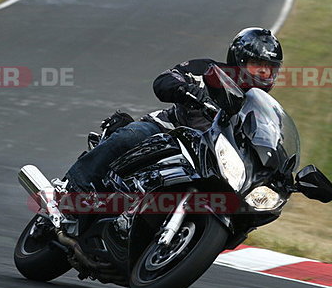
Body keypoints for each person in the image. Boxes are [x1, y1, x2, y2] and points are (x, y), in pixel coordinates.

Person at [62, 27, 283, 193]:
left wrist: (284, 173)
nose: (264, 72)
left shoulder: (258, 110)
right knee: (132, 136)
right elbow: (166, 79)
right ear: (240, 61)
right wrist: (186, 89)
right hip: (169, 133)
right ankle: (71, 189)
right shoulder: (209, 71)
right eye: (258, 64)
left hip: (209, 160)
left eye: (270, 69)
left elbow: (267, 145)